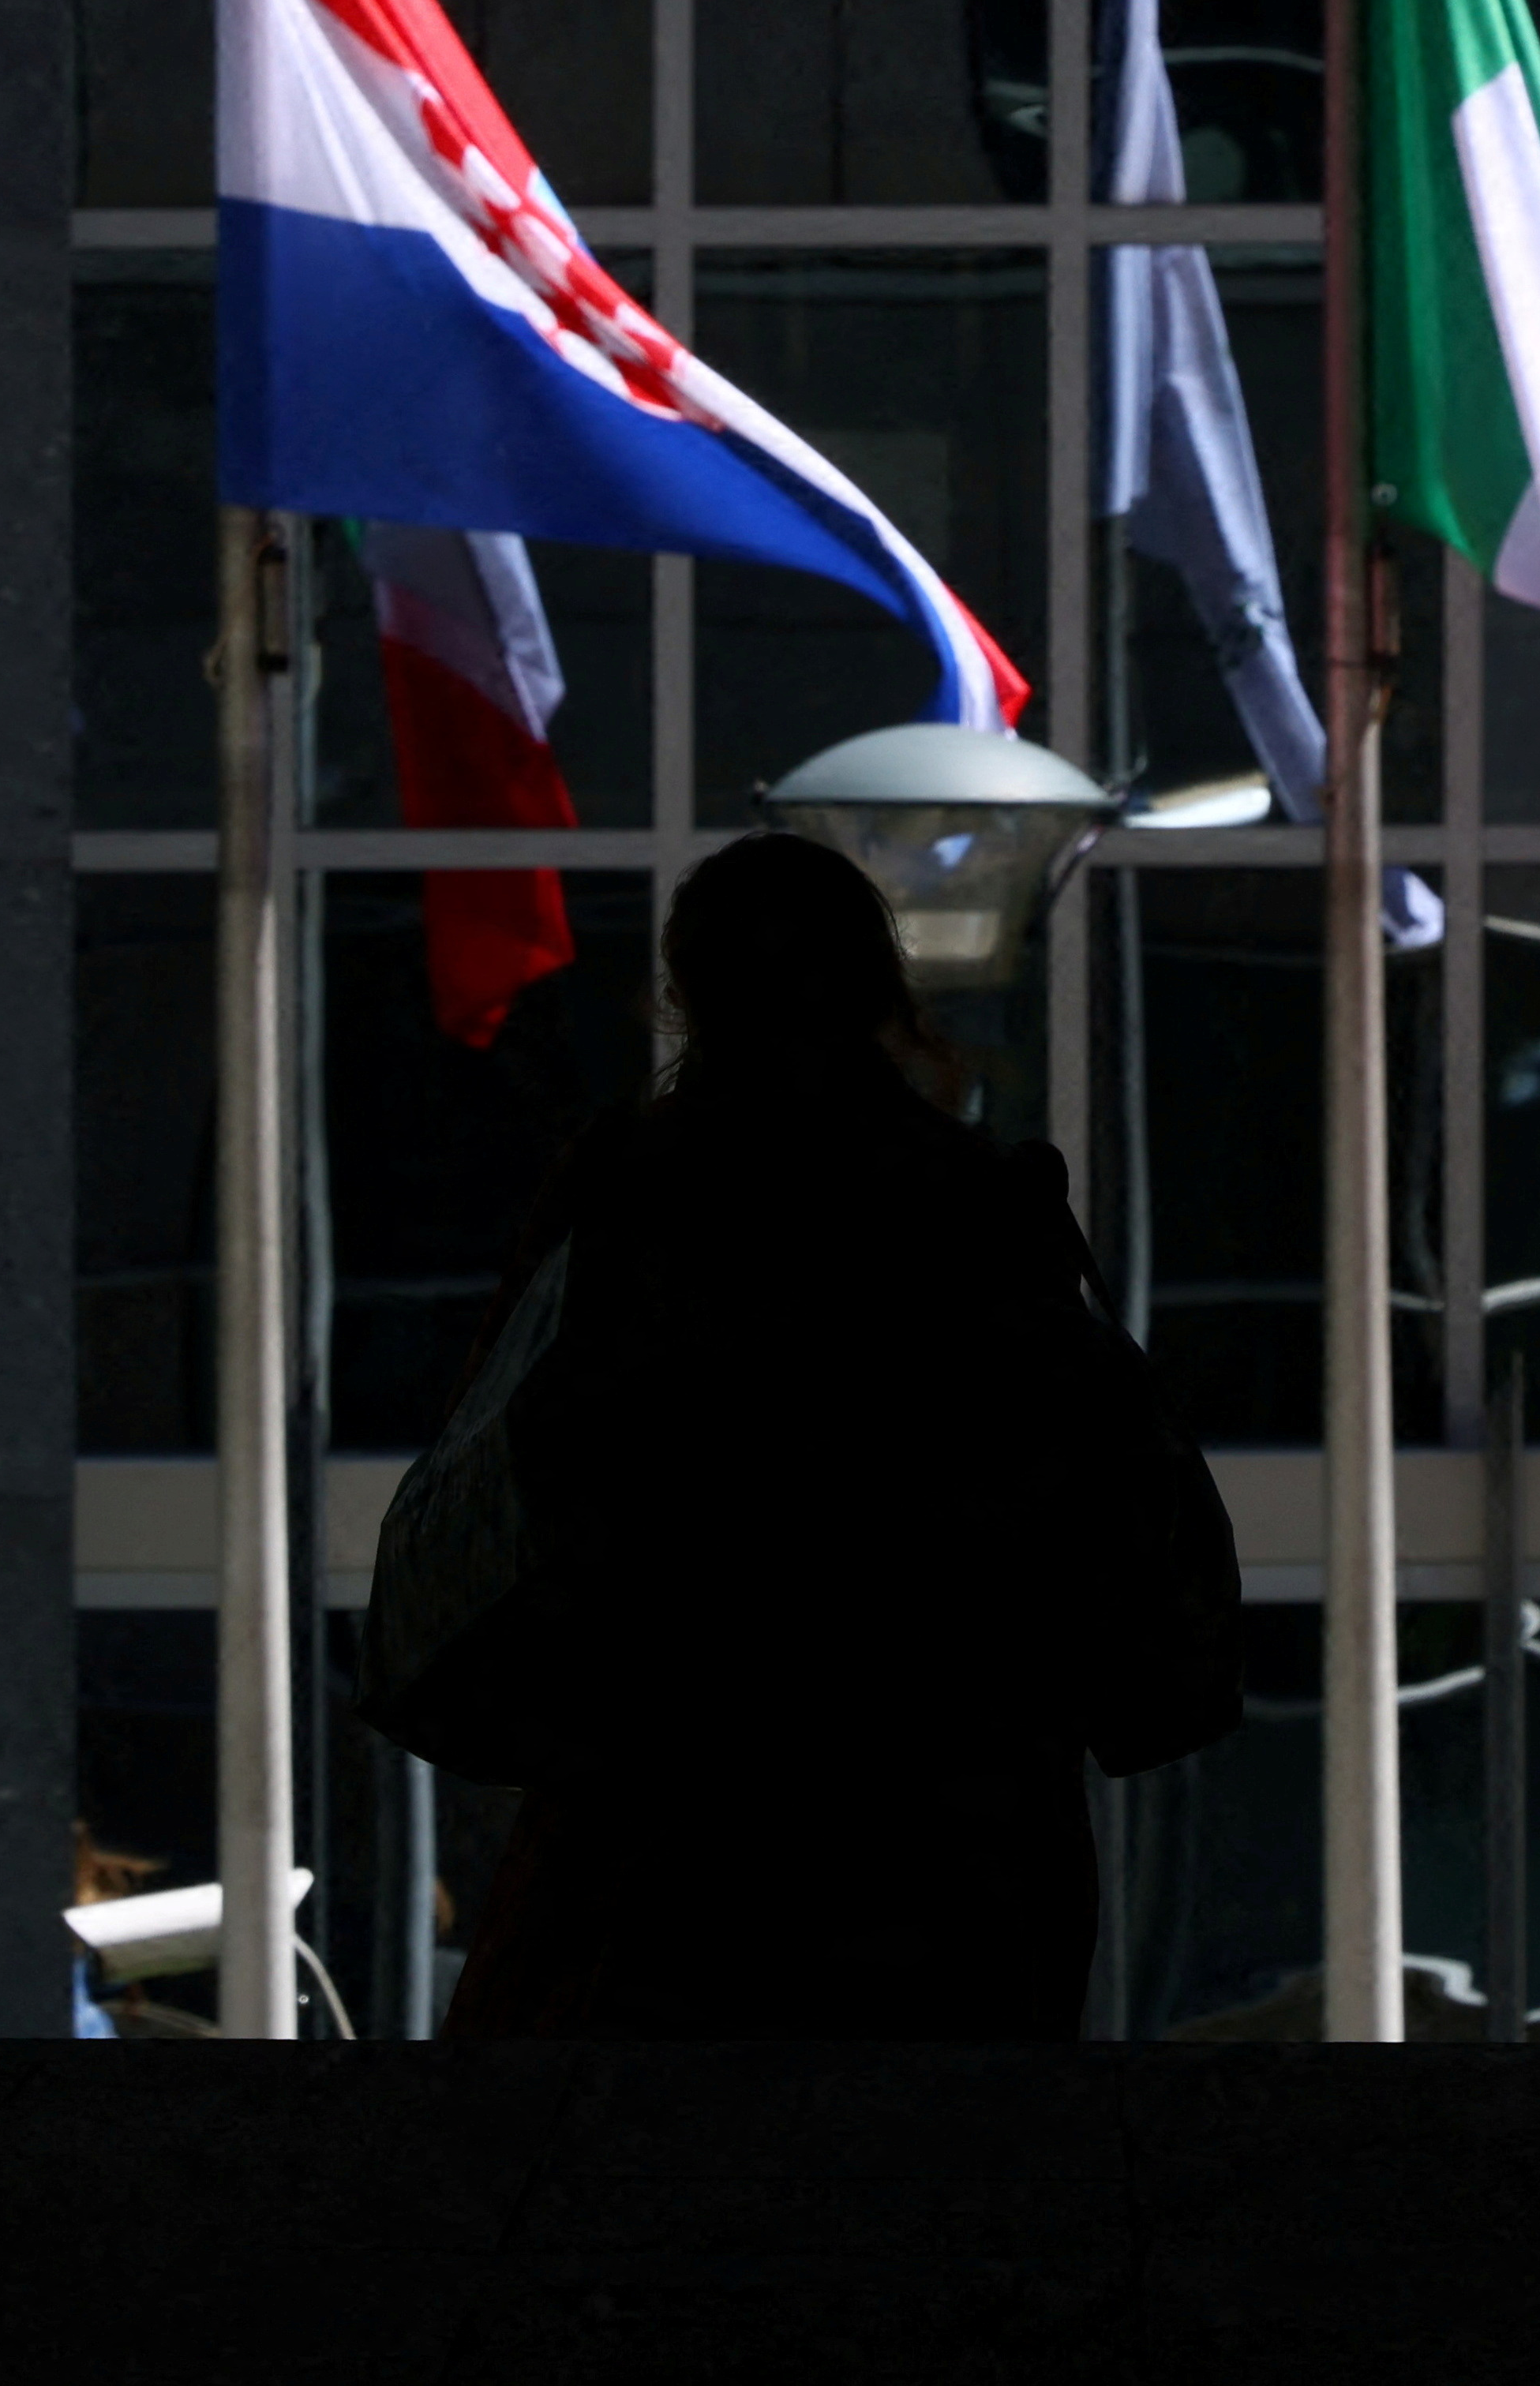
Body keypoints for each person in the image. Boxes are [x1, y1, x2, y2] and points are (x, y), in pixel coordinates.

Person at [395, 830, 1237, 2040]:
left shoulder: (627, 1204)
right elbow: (1113, 1513)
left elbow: (518, 1484)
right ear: (883, 988)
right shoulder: (977, 1206)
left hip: (672, 1826)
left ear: (685, 996)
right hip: (955, 1832)